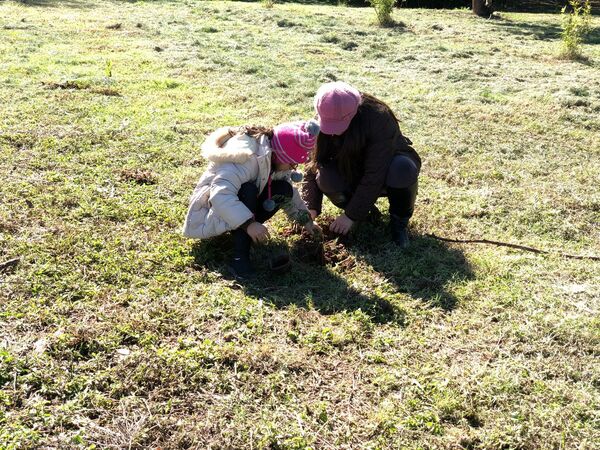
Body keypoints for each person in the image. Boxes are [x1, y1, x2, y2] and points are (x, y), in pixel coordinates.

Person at [183, 121, 321, 278]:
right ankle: (239, 259)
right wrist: (249, 224)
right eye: (292, 163)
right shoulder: (245, 158)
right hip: (213, 209)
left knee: (284, 188)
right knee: (248, 190)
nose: (293, 168)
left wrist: (306, 219)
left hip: (238, 207)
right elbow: (220, 195)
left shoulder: (273, 157)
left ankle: (244, 232)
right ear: (279, 155)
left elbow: (290, 194)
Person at [302, 81, 421, 248]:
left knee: (403, 169)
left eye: (337, 125)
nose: (333, 132)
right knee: (325, 177)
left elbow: (375, 173)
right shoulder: (324, 116)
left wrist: (350, 215)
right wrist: (311, 207)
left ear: (353, 113)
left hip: (385, 170)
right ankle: (366, 214)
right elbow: (312, 165)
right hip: (350, 171)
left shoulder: (379, 118)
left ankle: (399, 223)